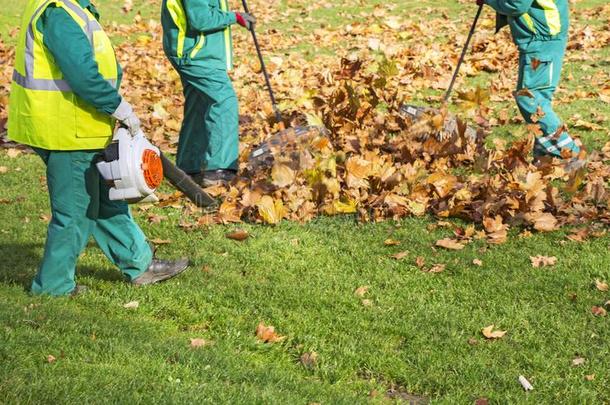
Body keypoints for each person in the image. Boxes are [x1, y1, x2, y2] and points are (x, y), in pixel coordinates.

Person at [8, 0, 189, 296]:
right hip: (66, 131)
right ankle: (52, 287)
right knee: (76, 211)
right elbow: (82, 74)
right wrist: (117, 106)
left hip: (82, 126)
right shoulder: (59, 13)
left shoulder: (72, 8)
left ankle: (139, 263)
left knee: (106, 198)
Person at [161, 0, 256, 186]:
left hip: (196, 53)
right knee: (223, 100)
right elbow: (201, 19)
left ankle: (189, 168)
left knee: (199, 104)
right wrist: (234, 17)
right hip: (195, 55)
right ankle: (217, 171)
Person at [477, 0, 583, 164]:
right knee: (538, 98)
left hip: (543, 39)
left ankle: (571, 155)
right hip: (540, 37)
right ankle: (545, 156)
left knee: (530, 98)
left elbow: (517, 4)